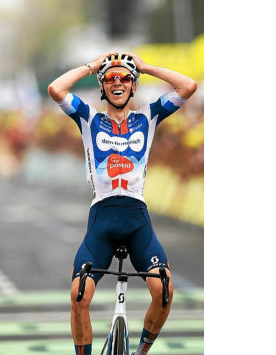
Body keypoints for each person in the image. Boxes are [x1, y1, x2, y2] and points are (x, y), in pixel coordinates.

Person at [47, 52, 197, 355]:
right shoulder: (89, 117)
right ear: (103, 86)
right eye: (111, 78)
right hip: (102, 216)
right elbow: (56, 90)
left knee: (164, 290)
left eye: (125, 78)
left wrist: (146, 67)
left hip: (136, 217)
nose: (118, 82)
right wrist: (92, 66)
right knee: (79, 296)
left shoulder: (148, 116)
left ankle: (141, 350)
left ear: (134, 86)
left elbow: (188, 86)